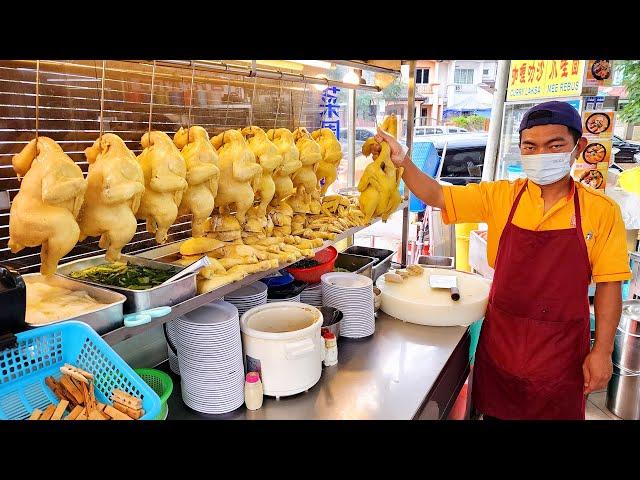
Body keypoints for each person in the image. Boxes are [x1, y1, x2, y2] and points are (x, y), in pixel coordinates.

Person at [373, 101, 632, 420]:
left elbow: (609, 285)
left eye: (554, 145)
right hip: (502, 346)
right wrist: (402, 161)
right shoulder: (502, 196)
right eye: (530, 146)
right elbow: (437, 195)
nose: (541, 155)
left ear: (577, 147)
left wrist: (602, 351)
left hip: (561, 355)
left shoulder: (601, 211)